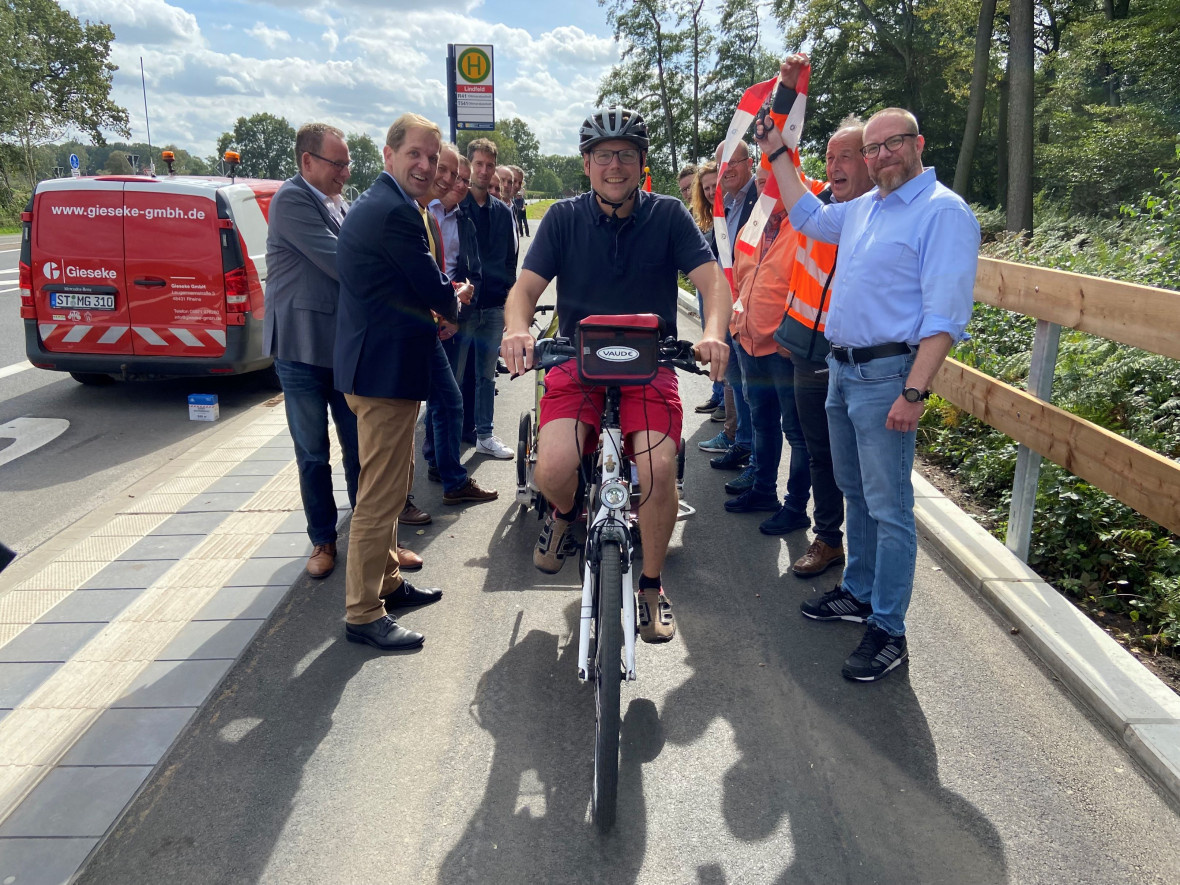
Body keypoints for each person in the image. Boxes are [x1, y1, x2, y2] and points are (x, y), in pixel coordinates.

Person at [758, 55, 980, 681]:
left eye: (892, 144)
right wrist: (778, 153)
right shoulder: (865, 209)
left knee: (889, 508)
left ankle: (889, 627)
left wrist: (915, 391)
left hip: (888, 378)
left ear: (918, 146)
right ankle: (857, 592)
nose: (881, 155)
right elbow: (805, 214)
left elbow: (943, 318)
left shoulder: (942, 212)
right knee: (855, 493)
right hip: (842, 371)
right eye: (873, 146)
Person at [501, 107, 730, 643]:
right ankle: (563, 514)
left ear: (641, 163)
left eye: (626, 154)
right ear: (587, 164)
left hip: (647, 364)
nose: (615, 165)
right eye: (604, 155)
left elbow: (712, 282)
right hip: (577, 362)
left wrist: (714, 331)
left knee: (655, 472)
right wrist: (518, 329)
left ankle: (651, 585)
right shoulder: (563, 218)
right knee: (554, 468)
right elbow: (524, 291)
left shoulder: (669, 215)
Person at [333, 113, 475, 651]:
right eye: (415, 153)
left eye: (432, 158)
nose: (425, 165)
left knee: (391, 486)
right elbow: (427, 284)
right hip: (382, 372)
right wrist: (451, 297)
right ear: (388, 155)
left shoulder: (384, 204)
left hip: (381, 367)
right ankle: (364, 611)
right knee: (379, 496)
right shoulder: (394, 212)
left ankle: (388, 584)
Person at [264, 122, 423, 579]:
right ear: (307, 161)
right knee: (313, 452)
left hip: (342, 349)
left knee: (363, 451)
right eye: (338, 163)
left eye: (349, 163)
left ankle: (378, 547)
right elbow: (344, 263)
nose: (346, 173)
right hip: (301, 348)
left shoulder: (340, 203)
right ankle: (323, 541)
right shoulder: (292, 201)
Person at [773, 116, 874, 577]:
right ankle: (829, 539)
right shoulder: (816, 205)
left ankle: (865, 562)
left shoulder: (877, 216)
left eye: (846, 156)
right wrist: (785, 96)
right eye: (830, 157)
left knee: (854, 464)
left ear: (870, 160)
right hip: (806, 350)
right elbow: (781, 155)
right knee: (818, 450)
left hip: (858, 358)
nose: (834, 165)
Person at [726, 165, 813, 539]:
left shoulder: (807, 223)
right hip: (749, 343)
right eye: (760, 182)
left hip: (785, 350)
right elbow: (738, 278)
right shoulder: (754, 224)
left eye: (773, 179)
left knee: (797, 432)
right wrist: (734, 323)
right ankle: (764, 491)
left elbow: (812, 285)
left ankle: (795, 507)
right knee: (761, 422)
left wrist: (793, 340)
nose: (765, 187)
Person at [423, 144, 499, 505]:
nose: (457, 183)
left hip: (452, 314)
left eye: (463, 179)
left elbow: (470, 268)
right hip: (427, 314)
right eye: (452, 175)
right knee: (442, 397)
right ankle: (439, 464)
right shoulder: (424, 210)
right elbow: (425, 273)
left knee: (447, 397)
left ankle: (445, 468)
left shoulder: (462, 219)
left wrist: (455, 313)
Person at [459, 138, 518, 461]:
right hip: (464, 307)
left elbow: (509, 260)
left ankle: (485, 434)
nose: (484, 171)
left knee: (486, 376)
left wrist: (509, 302)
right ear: (469, 165)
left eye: (489, 165)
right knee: (454, 379)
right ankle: (450, 442)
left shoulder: (501, 212)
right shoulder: (457, 206)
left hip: (494, 307)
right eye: (478, 164)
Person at [710, 139, 761, 493]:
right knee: (734, 379)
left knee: (751, 386)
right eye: (720, 164)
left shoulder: (762, 199)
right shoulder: (724, 203)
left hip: (752, 307)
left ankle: (753, 454)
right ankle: (741, 441)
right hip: (725, 302)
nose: (726, 169)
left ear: (750, 162)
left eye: (733, 162)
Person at [687, 161, 728, 428]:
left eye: (716, 185)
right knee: (711, 339)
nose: (712, 191)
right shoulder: (706, 216)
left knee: (726, 352)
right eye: (707, 187)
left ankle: (727, 409)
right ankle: (718, 396)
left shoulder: (732, 212)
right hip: (708, 289)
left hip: (728, 291)